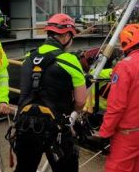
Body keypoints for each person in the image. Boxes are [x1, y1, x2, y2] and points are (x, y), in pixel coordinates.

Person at [14, 13, 86, 172]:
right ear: (66, 36)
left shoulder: (28, 57)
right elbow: (81, 100)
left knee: (24, 168)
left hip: (24, 126)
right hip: (56, 128)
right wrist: (72, 112)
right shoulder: (70, 60)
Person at [99, 24, 139, 172]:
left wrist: (105, 133)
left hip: (126, 134)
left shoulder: (124, 66)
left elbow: (116, 105)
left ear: (126, 43)